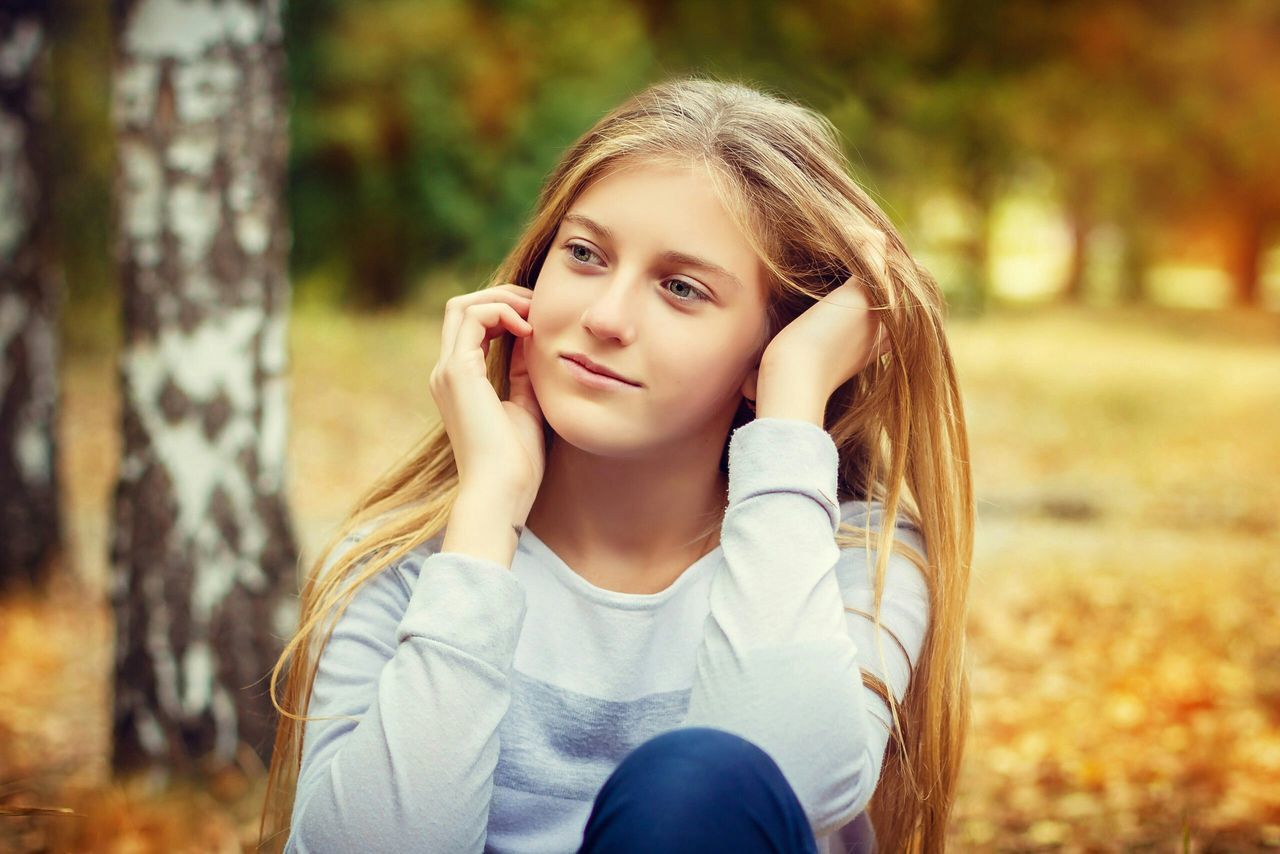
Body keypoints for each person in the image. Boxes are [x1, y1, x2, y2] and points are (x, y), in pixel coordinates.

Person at [257, 74, 973, 854]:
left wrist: (792, 394)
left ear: (763, 352)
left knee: (697, 782)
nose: (603, 318)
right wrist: (488, 512)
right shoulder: (405, 567)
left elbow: (786, 780)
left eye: (681, 288)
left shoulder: (853, 563)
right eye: (586, 254)